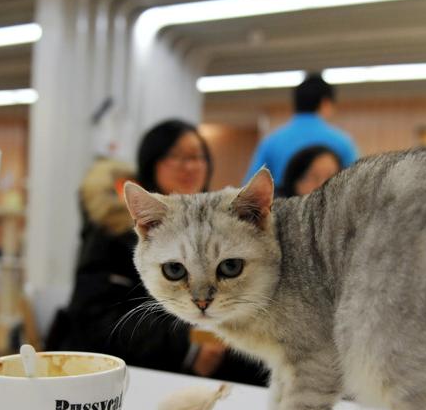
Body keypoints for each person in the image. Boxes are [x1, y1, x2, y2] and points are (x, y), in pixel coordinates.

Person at [47, 120, 267, 385]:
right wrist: (188, 346)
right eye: (176, 157)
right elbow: (96, 320)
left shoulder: (223, 226)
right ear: (151, 161)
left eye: (197, 157)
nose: (189, 166)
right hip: (124, 380)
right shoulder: (113, 229)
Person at [244, 73, 358, 191]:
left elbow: (251, 190)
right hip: (329, 207)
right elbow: (354, 186)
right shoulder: (342, 142)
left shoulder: (271, 142)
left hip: (283, 207)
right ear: (326, 103)